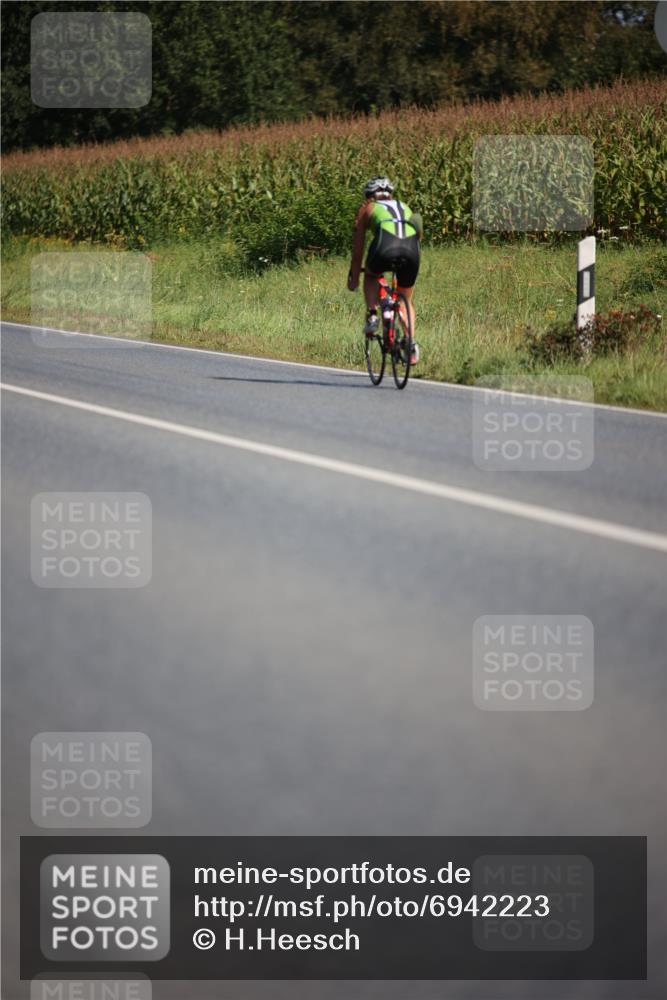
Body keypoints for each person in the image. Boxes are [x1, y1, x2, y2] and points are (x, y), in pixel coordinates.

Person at [347, 176, 423, 363]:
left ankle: (373, 316)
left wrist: (354, 278)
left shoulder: (367, 208)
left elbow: (358, 251)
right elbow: (418, 231)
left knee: (372, 275)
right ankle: (411, 341)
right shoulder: (405, 206)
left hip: (384, 246)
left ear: (370, 196)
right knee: (405, 299)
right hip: (412, 250)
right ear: (390, 195)